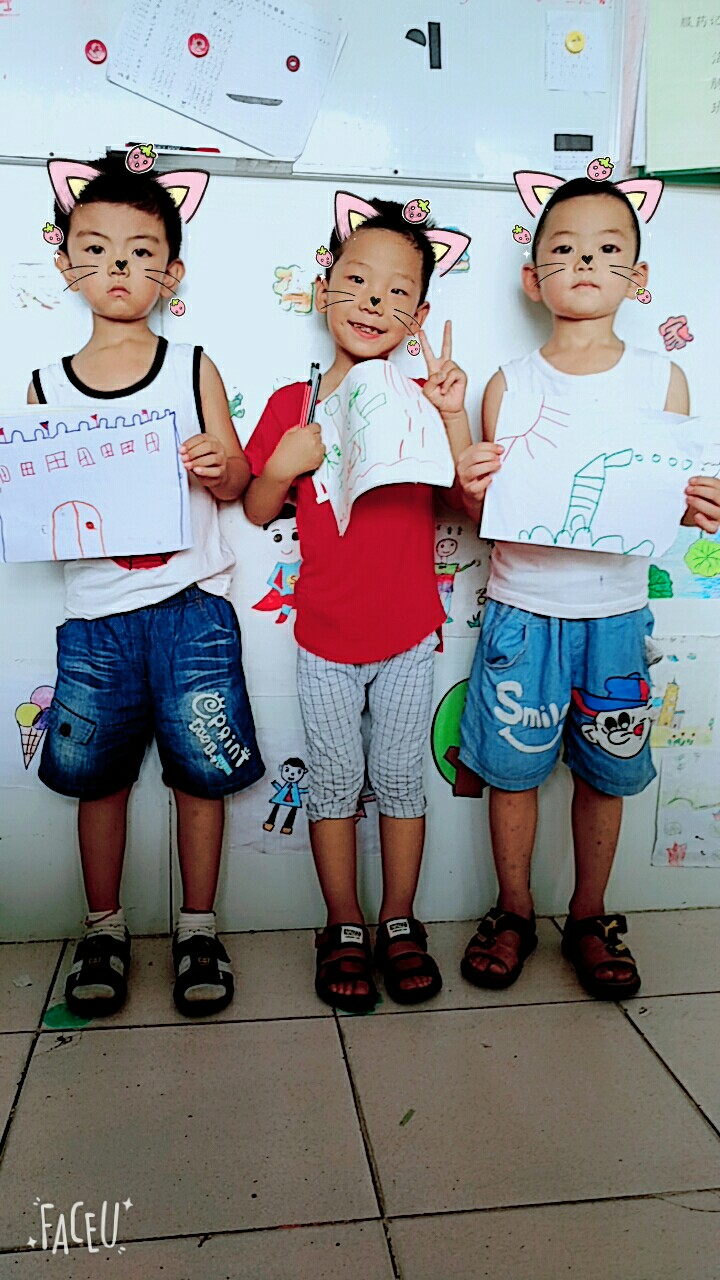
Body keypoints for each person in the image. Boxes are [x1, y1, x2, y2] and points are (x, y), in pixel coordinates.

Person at [456, 174, 720, 999]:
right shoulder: (509, 383)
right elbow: (487, 511)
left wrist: (697, 505)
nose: (585, 263)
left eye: (608, 249)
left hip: (615, 616)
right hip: (521, 611)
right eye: (564, 249)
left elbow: (667, 498)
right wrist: (468, 485)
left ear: (637, 278)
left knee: (608, 771)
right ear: (532, 278)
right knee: (511, 772)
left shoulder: (662, 379)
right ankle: (513, 910)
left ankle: (589, 915)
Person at [32, 157, 264, 1018]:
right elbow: (40, 508)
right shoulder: (45, 386)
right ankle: (104, 929)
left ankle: (198, 927)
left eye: (140, 252)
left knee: (202, 775)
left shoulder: (192, 365)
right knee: (97, 779)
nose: (119, 266)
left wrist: (219, 464)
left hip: (191, 610)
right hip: (95, 617)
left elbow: (238, 482)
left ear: (172, 271)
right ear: (65, 263)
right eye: (96, 249)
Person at [244, 193, 471, 1012]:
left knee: (403, 781)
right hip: (324, 638)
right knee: (336, 783)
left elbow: (467, 505)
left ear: (420, 316)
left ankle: (398, 920)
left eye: (397, 291)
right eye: (358, 282)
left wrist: (452, 416)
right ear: (323, 290)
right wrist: (283, 464)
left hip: (409, 634)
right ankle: (341, 922)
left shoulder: (423, 400)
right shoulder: (293, 405)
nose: (374, 302)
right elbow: (258, 508)